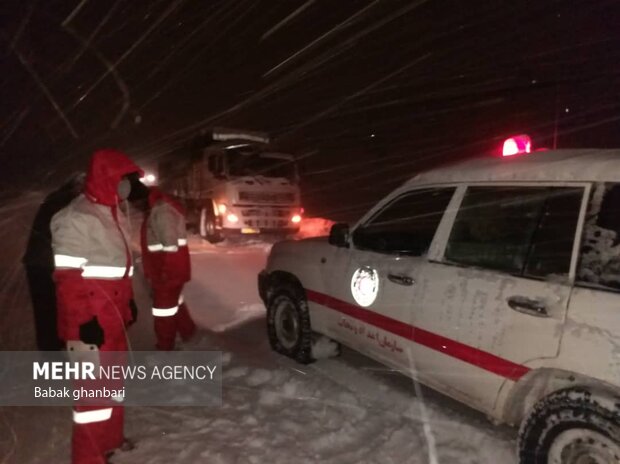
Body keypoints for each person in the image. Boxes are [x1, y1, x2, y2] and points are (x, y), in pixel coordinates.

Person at [51, 149, 142, 464]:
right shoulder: (75, 218)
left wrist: (128, 304)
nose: (126, 186)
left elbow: (117, 267)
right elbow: (68, 281)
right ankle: (88, 458)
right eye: (122, 179)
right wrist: (83, 323)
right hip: (90, 325)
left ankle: (111, 442)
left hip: (113, 320)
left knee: (113, 388)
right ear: (106, 179)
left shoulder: (114, 212)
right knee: (91, 399)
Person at [23, 173, 84, 351]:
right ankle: (52, 355)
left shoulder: (57, 198)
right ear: (76, 187)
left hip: (38, 262)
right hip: (45, 263)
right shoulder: (66, 203)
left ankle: (50, 349)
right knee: (51, 311)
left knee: (45, 312)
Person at [140, 186, 195, 350]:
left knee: (163, 311)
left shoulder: (162, 211)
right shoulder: (161, 209)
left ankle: (165, 347)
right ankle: (189, 334)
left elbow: (170, 245)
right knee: (174, 304)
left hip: (166, 272)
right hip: (171, 270)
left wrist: (163, 272)